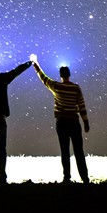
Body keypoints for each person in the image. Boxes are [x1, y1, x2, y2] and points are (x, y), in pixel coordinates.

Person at [32, 55, 90, 183]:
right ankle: (85, 178)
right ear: (69, 74)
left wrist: (35, 63)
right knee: (79, 151)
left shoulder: (56, 87)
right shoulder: (75, 88)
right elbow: (82, 105)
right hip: (74, 122)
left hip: (62, 122)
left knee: (65, 151)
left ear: (60, 75)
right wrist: (85, 122)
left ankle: (66, 178)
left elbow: (43, 77)